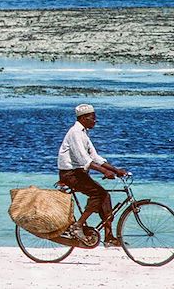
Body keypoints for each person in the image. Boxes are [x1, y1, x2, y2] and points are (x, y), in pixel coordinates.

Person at [57, 103, 127, 247]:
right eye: (92, 118)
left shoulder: (83, 133)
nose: (95, 120)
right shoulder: (75, 133)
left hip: (78, 173)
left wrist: (115, 170)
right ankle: (78, 225)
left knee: (105, 196)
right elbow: (85, 160)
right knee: (98, 194)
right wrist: (104, 172)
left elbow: (95, 157)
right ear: (83, 118)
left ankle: (109, 237)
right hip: (69, 174)